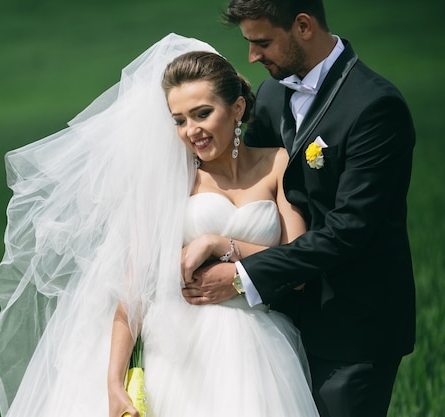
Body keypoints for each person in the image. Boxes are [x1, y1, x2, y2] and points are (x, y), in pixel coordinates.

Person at [0, 33, 319, 417]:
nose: (190, 130)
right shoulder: (169, 182)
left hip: (259, 348)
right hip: (180, 354)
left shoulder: (277, 163)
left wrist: (219, 244)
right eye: (179, 120)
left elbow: (299, 269)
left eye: (202, 113)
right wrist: (113, 382)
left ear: (237, 107)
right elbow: (133, 291)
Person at [183, 1, 416, 416]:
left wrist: (239, 273)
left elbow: (348, 231)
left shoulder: (375, 108)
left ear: (303, 26)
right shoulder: (273, 93)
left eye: (262, 43)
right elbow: (246, 175)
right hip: (279, 326)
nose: (252, 57)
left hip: (351, 327)